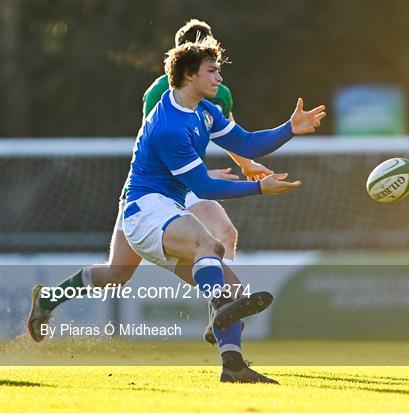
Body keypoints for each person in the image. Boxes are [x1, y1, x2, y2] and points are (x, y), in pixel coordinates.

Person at [27, 19, 272, 346]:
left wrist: (248, 164)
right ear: (186, 63)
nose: (213, 68)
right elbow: (155, 147)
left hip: (187, 185)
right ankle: (48, 300)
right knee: (117, 275)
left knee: (223, 234)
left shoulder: (219, 93)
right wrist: (205, 176)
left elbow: (230, 135)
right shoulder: (160, 92)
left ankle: (221, 312)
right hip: (155, 189)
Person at [121, 37, 325, 382]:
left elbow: (245, 143)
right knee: (211, 246)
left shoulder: (205, 110)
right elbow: (205, 187)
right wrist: (260, 187)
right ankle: (220, 309)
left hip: (165, 209)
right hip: (143, 211)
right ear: (188, 75)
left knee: (236, 294)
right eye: (212, 71)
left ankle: (234, 366)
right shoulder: (170, 126)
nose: (219, 78)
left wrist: (290, 128)